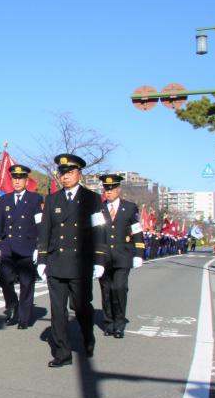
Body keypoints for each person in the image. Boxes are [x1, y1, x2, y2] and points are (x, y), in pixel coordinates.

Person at [36, 153, 107, 368]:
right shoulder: (52, 199)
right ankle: (62, 352)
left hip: (80, 263)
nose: (65, 177)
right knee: (57, 311)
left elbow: (100, 231)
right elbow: (45, 230)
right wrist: (41, 259)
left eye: (69, 172)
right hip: (57, 262)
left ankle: (87, 337)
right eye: (62, 173)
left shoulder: (92, 199)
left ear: (78, 173)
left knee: (81, 307)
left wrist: (99, 260)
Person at [0, 164, 43, 329]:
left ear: (26, 180)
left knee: (26, 284)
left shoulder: (35, 199)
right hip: (8, 247)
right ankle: (12, 304)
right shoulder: (4, 200)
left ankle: (23, 318)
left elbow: (39, 224)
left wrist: (39, 246)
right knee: (4, 280)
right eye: (14, 178)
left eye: (20, 178)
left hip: (27, 246)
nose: (17, 181)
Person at [97, 174, 144, 339]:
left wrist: (139, 253)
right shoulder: (99, 208)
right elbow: (96, 233)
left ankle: (119, 323)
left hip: (123, 255)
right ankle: (108, 322)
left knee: (119, 288)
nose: (108, 192)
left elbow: (137, 231)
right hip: (104, 257)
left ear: (118, 189)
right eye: (106, 189)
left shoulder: (130, 208)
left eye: (111, 189)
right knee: (106, 290)